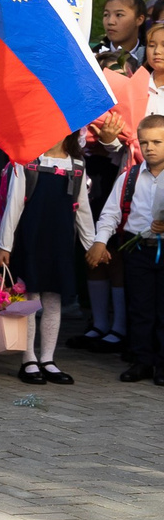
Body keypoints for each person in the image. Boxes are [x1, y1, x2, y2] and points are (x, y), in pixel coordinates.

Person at [0, 133, 95, 387]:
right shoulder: (25, 162)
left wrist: (92, 245)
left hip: (60, 242)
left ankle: (48, 359)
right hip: (30, 239)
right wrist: (4, 244)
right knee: (29, 299)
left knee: (53, 298)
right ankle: (28, 359)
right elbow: (14, 205)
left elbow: (82, 208)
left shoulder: (77, 166)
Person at [94, 114, 164, 383]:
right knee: (140, 307)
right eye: (145, 142)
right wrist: (101, 241)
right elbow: (111, 213)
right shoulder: (130, 176)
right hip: (138, 249)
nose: (150, 147)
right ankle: (141, 361)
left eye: (157, 141)